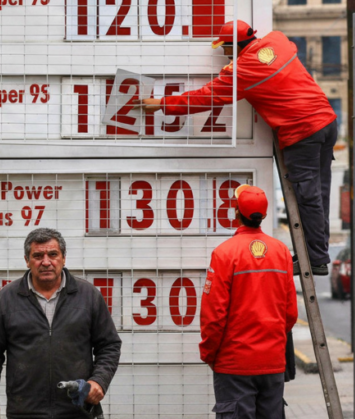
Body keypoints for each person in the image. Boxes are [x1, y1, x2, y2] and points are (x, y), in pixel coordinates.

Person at [141, 20, 337, 276]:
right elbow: (282, 52)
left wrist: (161, 104)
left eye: (225, 48)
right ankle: (317, 255)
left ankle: (315, 260)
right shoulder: (278, 40)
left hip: (302, 133)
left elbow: (204, 97)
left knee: (307, 198)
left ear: (234, 46)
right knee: (319, 194)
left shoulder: (242, 72)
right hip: (326, 122)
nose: (224, 54)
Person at [0, 228, 122, 419]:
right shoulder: (6, 299)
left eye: (53, 254)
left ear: (63, 258)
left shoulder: (88, 296)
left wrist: (98, 381)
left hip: (76, 417)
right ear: (27, 260)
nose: (46, 262)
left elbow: (109, 345)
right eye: (38, 256)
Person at [200, 185, 298, 419]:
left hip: (234, 365)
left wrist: (210, 354)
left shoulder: (224, 254)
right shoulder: (281, 252)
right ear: (263, 215)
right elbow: (290, 312)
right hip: (272, 364)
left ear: (236, 213)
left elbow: (213, 315)